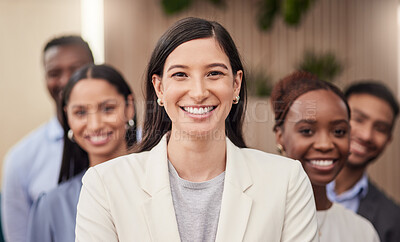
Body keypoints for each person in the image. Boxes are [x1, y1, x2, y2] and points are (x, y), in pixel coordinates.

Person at [75, 17, 318, 242]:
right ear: (159, 88)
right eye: (180, 74)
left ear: (236, 84)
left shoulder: (286, 181)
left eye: (214, 73)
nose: (199, 92)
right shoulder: (105, 185)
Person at [26, 64, 137, 242]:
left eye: (108, 108)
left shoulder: (162, 184)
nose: (95, 125)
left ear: (129, 107)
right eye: (80, 112)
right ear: (67, 117)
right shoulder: (52, 206)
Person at [1, 36, 94, 242]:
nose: (66, 79)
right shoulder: (20, 159)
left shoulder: (137, 145)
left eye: (76, 68)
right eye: (54, 73)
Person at [271, 71, 380, 241]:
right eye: (307, 131)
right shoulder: (257, 218)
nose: (325, 144)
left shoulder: (362, 232)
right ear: (280, 136)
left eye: (339, 131)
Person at [327, 81, 400, 242]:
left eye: (380, 128)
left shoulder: (392, 219)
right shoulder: (290, 183)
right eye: (359, 119)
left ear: (388, 140)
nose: (367, 135)